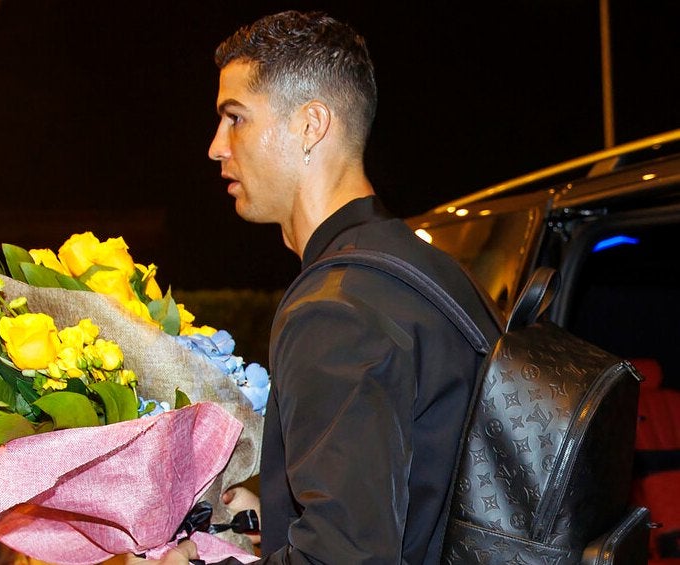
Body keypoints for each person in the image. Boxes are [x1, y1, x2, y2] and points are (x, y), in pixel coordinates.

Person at [133, 10, 500, 564]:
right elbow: (416, 488)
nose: (215, 146)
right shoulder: (428, 269)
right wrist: (274, 515)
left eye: (235, 118)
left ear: (310, 125)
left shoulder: (336, 310)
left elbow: (346, 558)